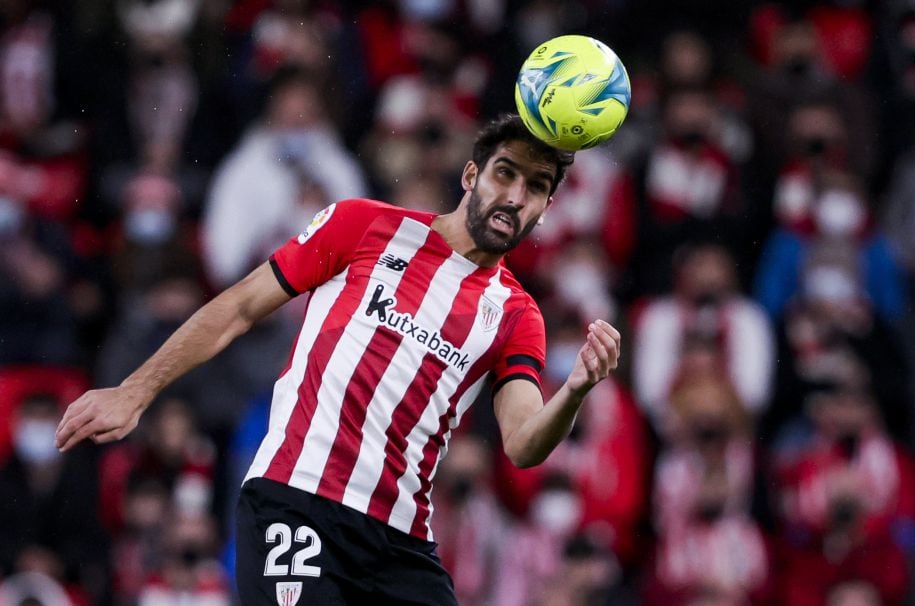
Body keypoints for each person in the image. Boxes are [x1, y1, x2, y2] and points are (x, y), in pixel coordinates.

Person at [53, 114, 623, 605]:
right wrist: (134, 389)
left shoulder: (517, 316)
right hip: (297, 503)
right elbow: (239, 308)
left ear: (546, 208)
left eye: (536, 187)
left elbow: (523, 443)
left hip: (401, 543)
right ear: (471, 175)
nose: (515, 197)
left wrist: (573, 389)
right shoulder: (364, 225)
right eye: (506, 173)